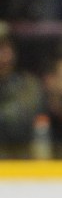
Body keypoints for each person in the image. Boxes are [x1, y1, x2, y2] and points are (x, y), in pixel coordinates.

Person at [0, 21, 43, 158]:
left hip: (19, 168)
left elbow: (19, 127)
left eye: (7, 48)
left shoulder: (29, 86)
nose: (4, 57)